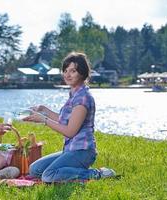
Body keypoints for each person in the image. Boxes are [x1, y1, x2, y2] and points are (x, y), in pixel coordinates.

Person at [23, 52, 116, 183]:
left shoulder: (83, 98)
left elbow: (70, 131)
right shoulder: (74, 95)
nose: (67, 74)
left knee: (48, 175)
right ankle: (70, 173)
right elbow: (63, 120)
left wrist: (44, 120)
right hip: (70, 150)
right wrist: (43, 109)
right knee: (35, 169)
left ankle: (96, 173)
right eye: (65, 70)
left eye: (73, 71)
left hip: (83, 152)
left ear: (82, 73)